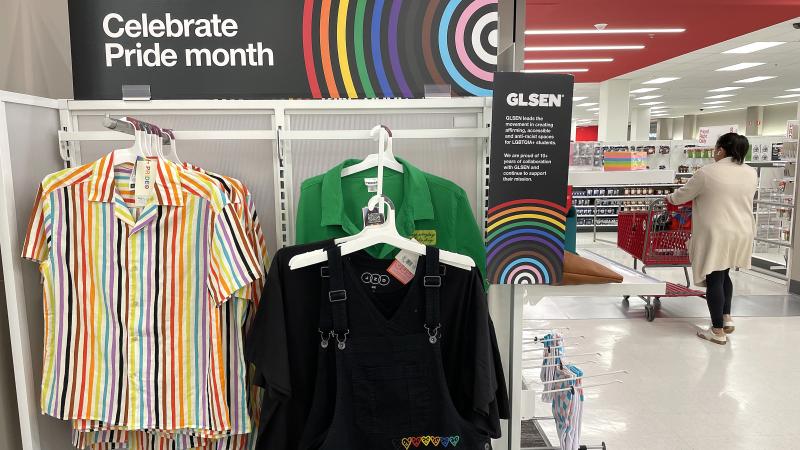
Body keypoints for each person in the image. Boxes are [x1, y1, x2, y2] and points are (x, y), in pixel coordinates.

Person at [666, 132, 758, 345]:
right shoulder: (750, 172)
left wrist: (669, 198)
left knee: (714, 277)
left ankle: (717, 331)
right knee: (725, 273)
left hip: (717, 231)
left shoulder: (707, 173)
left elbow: (683, 195)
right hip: (742, 229)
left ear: (721, 150)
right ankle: (726, 317)